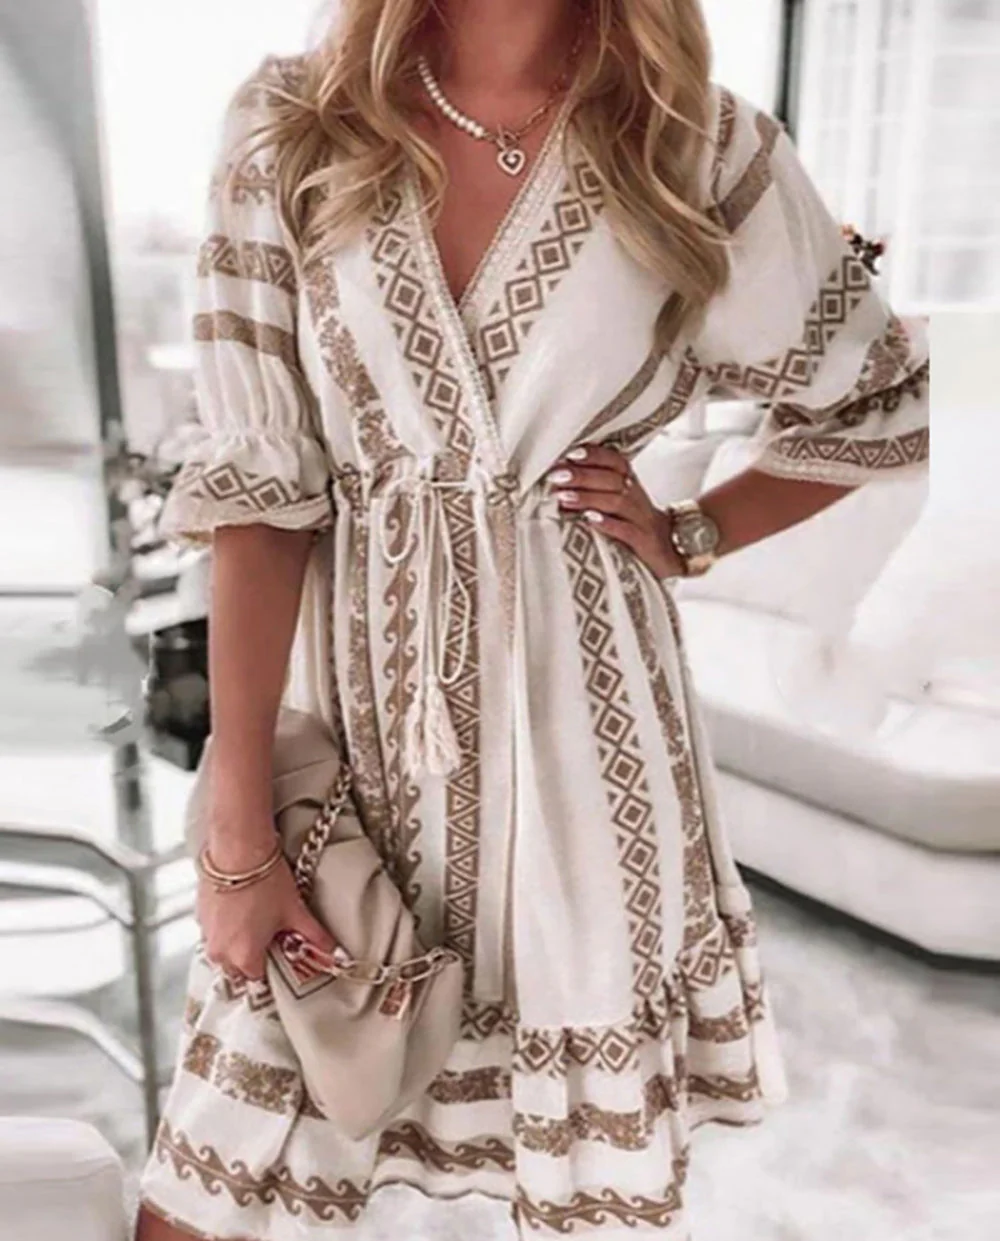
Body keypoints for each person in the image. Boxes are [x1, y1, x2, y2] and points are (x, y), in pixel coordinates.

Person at [135, 1, 929, 1238]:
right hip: (350, 742)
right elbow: (260, 492)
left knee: (577, 1198)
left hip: (588, 754)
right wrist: (236, 832)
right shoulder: (292, 125)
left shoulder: (698, 145)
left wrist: (695, 529)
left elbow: (873, 402)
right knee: (209, 1187)